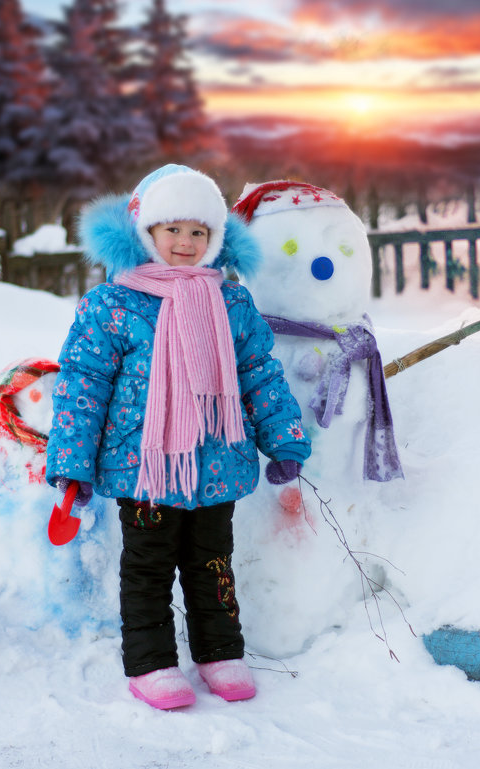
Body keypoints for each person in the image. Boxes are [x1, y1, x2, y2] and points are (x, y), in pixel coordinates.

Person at [46, 164, 311, 710]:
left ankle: (219, 652)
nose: (186, 242)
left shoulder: (231, 303)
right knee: (147, 566)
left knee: (212, 561)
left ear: (216, 238)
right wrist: (72, 464)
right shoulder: (112, 304)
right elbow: (82, 385)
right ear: (145, 233)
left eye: (199, 231)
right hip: (142, 466)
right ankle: (151, 662)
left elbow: (259, 373)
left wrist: (283, 441)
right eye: (174, 229)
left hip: (220, 461)